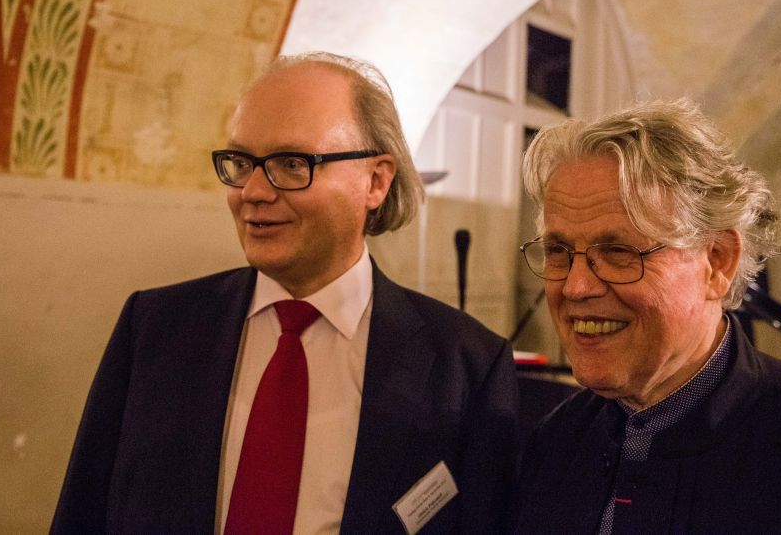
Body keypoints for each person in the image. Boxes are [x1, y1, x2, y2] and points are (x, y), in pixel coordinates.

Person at [52, 52, 518, 534]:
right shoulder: (155, 328)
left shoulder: (466, 366)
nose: (253, 191)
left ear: (375, 181)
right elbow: (83, 513)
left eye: (292, 164)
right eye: (241, 162)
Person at [512, 100, 781, 534]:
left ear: (718, 261)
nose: (576, 287)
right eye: (559, 251)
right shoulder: (554, 442)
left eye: (618, 251)